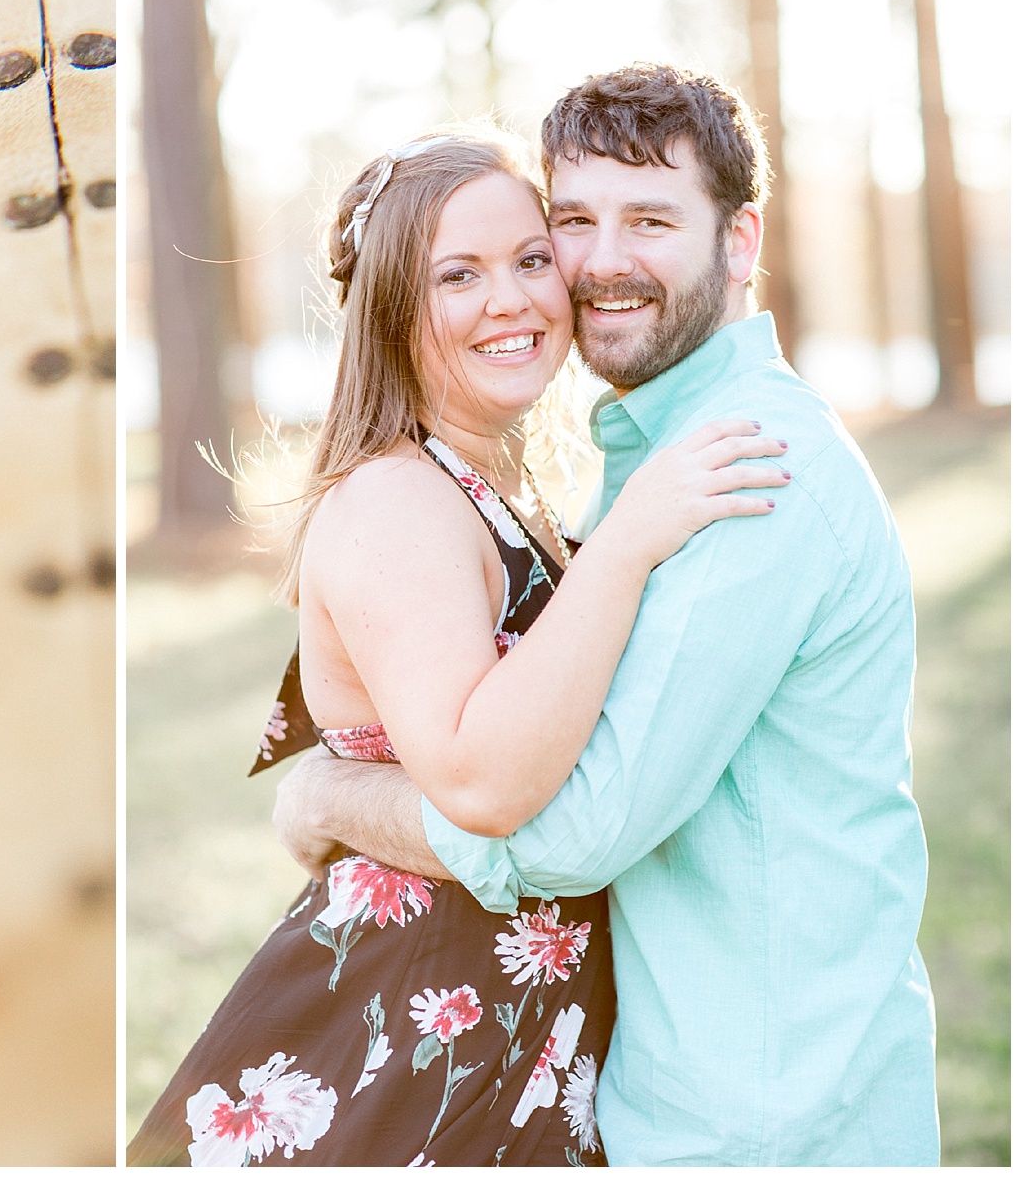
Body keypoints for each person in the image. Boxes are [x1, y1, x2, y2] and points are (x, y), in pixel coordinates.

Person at [272, 65, 939, 1165]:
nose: (601, 262)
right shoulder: (643, 467)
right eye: (575, 221)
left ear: (739, 240)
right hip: (621, 1088)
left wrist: (331, 795)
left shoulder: (748, 469)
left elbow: (573, 827)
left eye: (652, 221)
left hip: (766, 1122)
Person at [128, 121, 791, 1166]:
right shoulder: (397, 499)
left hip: (512, 1036)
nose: (512, 299)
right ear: (393, 308)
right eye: (458, 276)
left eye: (531, 259)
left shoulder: (492, 482)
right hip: (411, 1038)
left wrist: (329, 795)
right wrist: (627, 545)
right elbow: (483, 781)